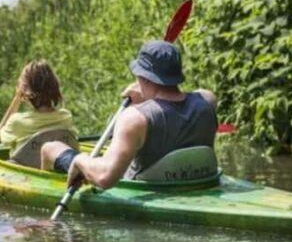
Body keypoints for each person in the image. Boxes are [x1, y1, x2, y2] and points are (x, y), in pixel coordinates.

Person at [41, 40, 217, 189]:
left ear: (144, 78)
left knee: (50, 148)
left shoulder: (135, 118)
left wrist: (79, 160)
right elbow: (179, 100)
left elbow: (104, 177)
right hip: (197, 180)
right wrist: (148, 99)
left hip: (139, 185)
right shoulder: (207, 101)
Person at [0, 60, 78, 151]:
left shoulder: (17, 122)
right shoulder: (66, 117)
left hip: (26, 160)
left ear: (25, 91)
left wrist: (17, 98)